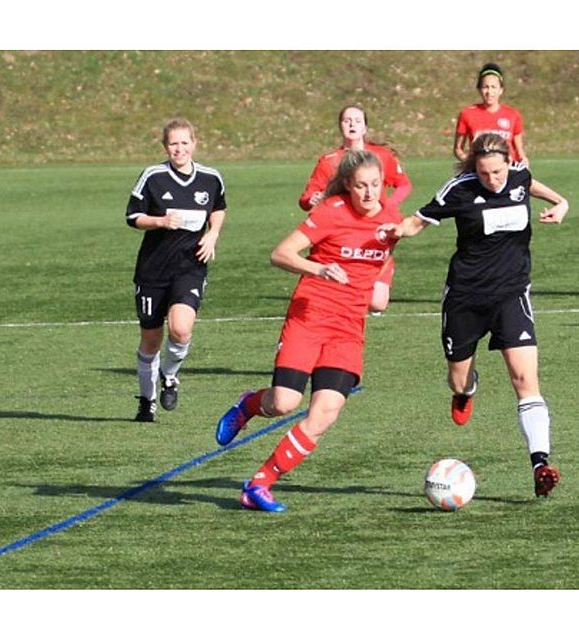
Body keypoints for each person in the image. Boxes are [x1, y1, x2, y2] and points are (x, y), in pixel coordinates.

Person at [214, 150, 402, 513]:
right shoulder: (332, 212)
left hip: (348, 328)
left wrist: (381, 286)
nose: (368, 193)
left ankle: (259, 484)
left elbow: (384, 258)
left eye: (376, 185)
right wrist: (320, 270)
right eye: (361, 186)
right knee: (284, 402)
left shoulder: (391, 217)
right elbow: (281, 253)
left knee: (325, 413)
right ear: (347, 185)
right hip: (310, 316)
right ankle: (249, 403)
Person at [385, 133, 568, 498]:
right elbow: (417, 221)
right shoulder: (459, 189)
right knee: (458, 379)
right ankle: (467, 390)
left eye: (498, 172)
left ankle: (540, 464)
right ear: (475, 169)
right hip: (465, 298)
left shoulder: (519, 176)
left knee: (524, 379)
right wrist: (396, 231)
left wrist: (561, 202)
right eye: (485, 174)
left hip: (511, 294)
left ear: (509, 163)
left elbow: (529, 184)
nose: (493, 180)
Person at [126, 118, 226, 422]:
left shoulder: (211, 178)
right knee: (151, 340)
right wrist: (159, 221)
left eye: (184, 143)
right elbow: (132, 216)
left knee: (181, 329)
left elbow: (218, 208)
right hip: (153, 270)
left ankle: (169, 375)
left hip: (190, 267)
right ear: (165, 146)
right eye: (173, 144)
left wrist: (213, 234)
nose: (179, 149)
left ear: (194, 144)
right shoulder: (153, 176)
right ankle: (147, 400)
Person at [299, 105, 411, 315]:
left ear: (365, 127)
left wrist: (389, 207)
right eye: (347, 120)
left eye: (357, 121)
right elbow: (306, 198)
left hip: (376, 232)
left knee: (378, 303)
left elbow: (404, 185)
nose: (352, 125)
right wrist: (311, 198)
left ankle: (350, 298)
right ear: (340, 126)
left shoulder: (381, 156)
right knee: (343, 295)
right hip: (341, 233)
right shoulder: (329, 161)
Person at [453, 62, 528, 166]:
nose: (489, 91)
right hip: (480, 172)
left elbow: (520, 152)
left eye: (494, 87)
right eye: (485, 87)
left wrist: (523, 160)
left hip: (508, 171)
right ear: (479, 89)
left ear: (501, 90)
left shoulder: (513, 115)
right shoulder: (467, 114)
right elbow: (458, 149)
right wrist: (470, 162)